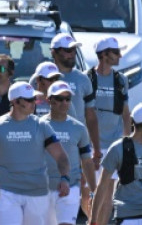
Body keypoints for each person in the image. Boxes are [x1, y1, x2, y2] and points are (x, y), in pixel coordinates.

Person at [0, 82, 70, 225]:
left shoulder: (41, 125)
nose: (34, 103)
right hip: (6, 193)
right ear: (15, 102)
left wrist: (65, 178)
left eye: (34, 99)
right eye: (29, 100)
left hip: (37, 193)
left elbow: (61, 156)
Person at [49, 32, 100, 218]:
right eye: (67, 50)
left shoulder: (83, 80)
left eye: (73, 50)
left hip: (76, 143)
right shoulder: (41, 77)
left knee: (83, 191)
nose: (71, 54)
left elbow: (91, 116)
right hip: (48, 144)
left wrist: (96, 148)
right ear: (54, 52)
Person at [40, 82, 97, 225]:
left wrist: (93, 191)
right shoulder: (38, 125)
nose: (64, 103)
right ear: (49, 100)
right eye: (59, 99)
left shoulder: (79, 128)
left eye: (67, 99)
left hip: (70, 188)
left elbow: (87, 161)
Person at [85, 37, 132, 178]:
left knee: (108, 192)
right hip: (90, 145)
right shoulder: (86, 78)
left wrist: (126, 143)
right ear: (104, 54)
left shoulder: (121, 80)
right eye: (117, 52)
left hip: (114, 145)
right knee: (87, 194)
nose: (120, 56)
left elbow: (126, 114)